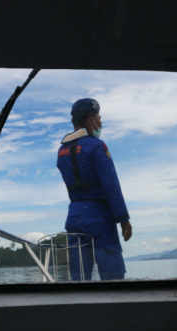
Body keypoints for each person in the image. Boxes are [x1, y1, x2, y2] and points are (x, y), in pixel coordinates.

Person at [56, 98, 133, 281]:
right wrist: (124, 219)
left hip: (74, 216)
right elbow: (111, 185)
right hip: (99, 217)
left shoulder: (62, 150)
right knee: (112, 276)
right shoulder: (98, 146)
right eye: (99, 118)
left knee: (79, 276)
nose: (100, 123)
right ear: (90, 120)